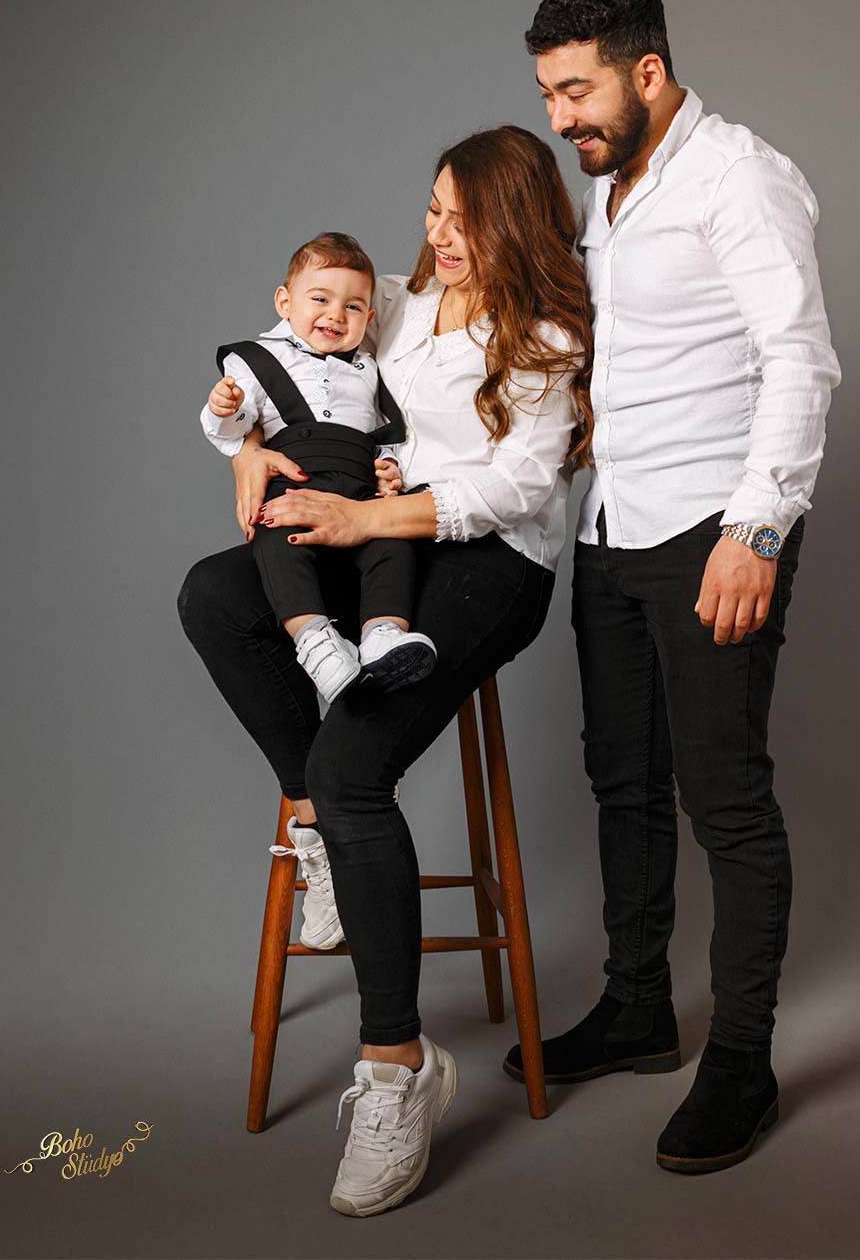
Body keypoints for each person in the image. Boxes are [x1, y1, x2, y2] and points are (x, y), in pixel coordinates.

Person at [178, 124, 593, 1216]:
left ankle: (398, 1067)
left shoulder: (543, 335)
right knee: (214, 593)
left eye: (462, 219)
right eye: (433, 210)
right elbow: (290, 365)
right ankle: (314, 820)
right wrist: (247, 451)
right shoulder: (397, 304)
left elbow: (516, 488)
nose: (438, 235)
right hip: (378, 544)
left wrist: (368, 515)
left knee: (357, 761)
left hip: (488, 563)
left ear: (512, 223)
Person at [503, 0, 841, 1175]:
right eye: (547, 94)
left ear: (646, 72)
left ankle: (742, 1060)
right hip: (613, 526)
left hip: (713, 531)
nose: (559, 118)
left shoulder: (741, 177)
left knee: (724, 797)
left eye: (576, 90)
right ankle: (639, 1006)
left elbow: (799, 357)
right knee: (624, 781)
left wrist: (760, 530)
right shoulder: (613, 184)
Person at [201, 230, 437, 707]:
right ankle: (315, 642)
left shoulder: (369, 367)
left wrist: (388, 468)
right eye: (321, 299)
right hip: (295, 482)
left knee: (393, 544)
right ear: (284, 302)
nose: (336, 315)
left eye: (353, 306)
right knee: (278, 543)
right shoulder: (256, 359)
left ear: (369, 318)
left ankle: (383, 635)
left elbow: (383, 433)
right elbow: (236, 432)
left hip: (358, 487)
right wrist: (225, 408)